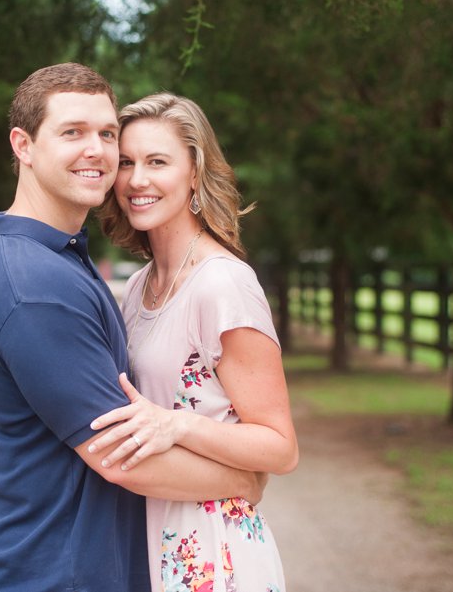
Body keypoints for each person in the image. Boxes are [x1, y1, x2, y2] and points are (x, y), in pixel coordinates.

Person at [0, 65, 267, 592]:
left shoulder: (59, 260)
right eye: (72, 132)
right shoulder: (35, 286)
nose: (97, 150)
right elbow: (121, 459)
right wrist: (245, 478)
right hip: (52, 574)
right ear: (24, 145)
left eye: (106, 134)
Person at [94, 92, 298, 592]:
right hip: (148, 534)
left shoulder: (223, 283)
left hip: (212, 551)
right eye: (126, 162)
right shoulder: (140, 285)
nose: (137, 180)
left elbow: (280, 447)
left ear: (193, 172)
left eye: (157, 162)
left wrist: (179, 424)